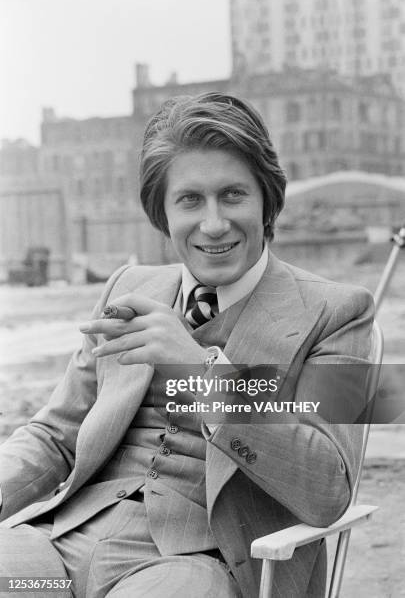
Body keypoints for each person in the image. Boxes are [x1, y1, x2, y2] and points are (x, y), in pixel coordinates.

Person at [0, 93, 374, 598]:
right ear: (163, 214)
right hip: (57, 549)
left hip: (195, 564)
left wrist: (200, 369)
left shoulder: (337, 313)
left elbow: (328, 488)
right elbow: (55, 434)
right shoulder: (129, 286)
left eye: (233, 195)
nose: (214, 223)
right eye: (190, 200)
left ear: (268, 201)